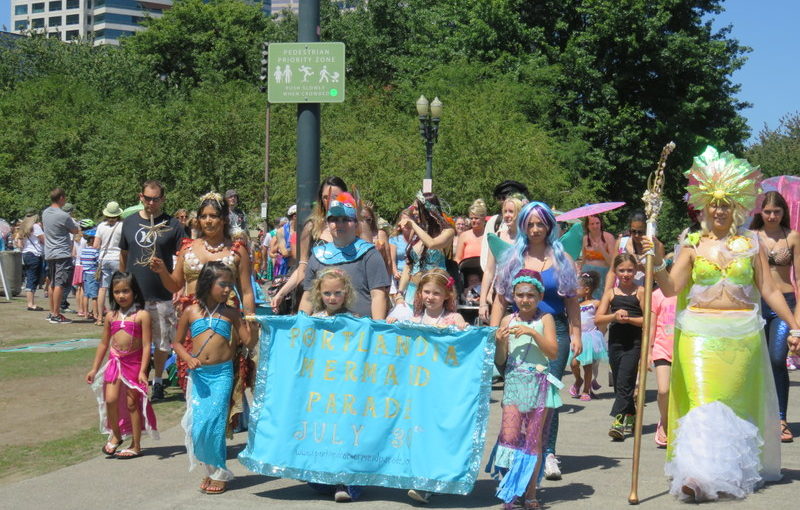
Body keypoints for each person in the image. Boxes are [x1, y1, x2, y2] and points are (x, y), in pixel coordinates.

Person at [648, 146, 800, 501]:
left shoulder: (750, 242)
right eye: (713, 204)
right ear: (704, 206)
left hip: (741, 336)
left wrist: (795, 324)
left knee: (730, 404)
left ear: (736, 208)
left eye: (726, 204)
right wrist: (655, 262)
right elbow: (671, 288)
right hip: (698, 335)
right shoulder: (692, 243)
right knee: (703, 400)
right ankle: (698, 477)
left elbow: (769, 290)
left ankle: (727, 473)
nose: (719, 209)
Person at [491, 201, 582, 480]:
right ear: (523, 226)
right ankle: (516, 450)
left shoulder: (562, 258)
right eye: (530, 224)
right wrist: (495, 331)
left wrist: (577, 333)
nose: (535, 229)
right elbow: (500, 297)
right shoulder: (513, 258)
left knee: (547, 396)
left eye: (540, 223)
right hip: (518, 326)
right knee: (519, 395)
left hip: (555, 329)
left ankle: (548, 452)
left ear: (549, 226)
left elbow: (572, 300)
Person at [150, 191, 256, 408]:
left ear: (224, 219)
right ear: (197, 219)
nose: (208, 221)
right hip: (191, 321)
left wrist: (250, 320)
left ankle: (222, 427)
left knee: (228, 374)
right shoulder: (187, 248)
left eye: (214, 216)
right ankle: (198, 426)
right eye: (204, 216)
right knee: (192, 373)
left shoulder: (237, 250)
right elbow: (174, 285)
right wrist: (162, 271)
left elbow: (246, 290)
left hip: (226, 321)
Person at [172, 262, 255, 495]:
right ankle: (209, 471)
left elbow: (248, 342)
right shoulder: (190, 311)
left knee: (215, 425)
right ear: (208, 283)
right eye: (223, 284)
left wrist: (253, 324)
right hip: (198, 376)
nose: (228, 289)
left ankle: (220, 472)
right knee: (198, 427)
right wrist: (187, 358)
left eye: (231, 285)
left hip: (221, 375)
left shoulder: (230, 313)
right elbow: (176, 342)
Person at [486, 269, 560, 510]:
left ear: (539, 296)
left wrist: (532, 332)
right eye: (520, 295)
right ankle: (511, 490)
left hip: (539, 384)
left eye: (530, 295)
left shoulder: (545, 319)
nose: (525, 299)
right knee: (509, 437)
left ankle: (530, 493)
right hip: (515, 384)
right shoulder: (508, 320)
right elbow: (501, 360)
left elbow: (553, 352)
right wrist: (500, 341)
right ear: (513, 296)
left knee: (533, 440)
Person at [119, 180, 184, 401]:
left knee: (163, 341)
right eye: (147, 198)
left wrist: (179, 286)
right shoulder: (129, 223)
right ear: (141, 197)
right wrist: (120, 284)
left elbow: (181, 259)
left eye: (156, 199)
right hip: (135, 294)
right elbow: (124, 255)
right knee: (134, 341)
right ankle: (138, 379)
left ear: (163, 199)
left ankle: (158, 382)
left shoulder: (173, 225)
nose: (151, 203)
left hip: (163, 294)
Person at [86, 272, 158, 459]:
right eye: (117, 292)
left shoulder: (142, 315)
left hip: (134, 364)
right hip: (115, 362)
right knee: (110, 399)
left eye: (125, 291)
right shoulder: (111, 316)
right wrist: (94, 368)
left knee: (132, 403)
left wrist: (143, 370)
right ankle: (116, 434)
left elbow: (146, 345)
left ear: (134, 292)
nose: (121, 295)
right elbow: (104, 343)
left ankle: (136, 444)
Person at [750, 191, 800, 443]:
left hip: (785, 305)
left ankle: (781, 418)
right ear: (760, 212)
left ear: (784, 212)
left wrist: (797, 320)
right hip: (755, 305)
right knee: (754, 363)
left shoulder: (792, 237)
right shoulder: (750, 237)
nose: (771, 216)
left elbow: (799, 279)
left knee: (777, 359)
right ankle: (759, 416)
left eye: (776, 211)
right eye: (767, 211)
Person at [298, 192, 390, 319]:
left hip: (360, 331)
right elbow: (308, 297)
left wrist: (376, 330)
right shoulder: (318, 255)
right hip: (324, 331)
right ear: (328, 224)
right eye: (333, 219)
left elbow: (378, 296)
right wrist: (300, 326)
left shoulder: (369, 254)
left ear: (356, 224)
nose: (339, 224)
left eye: (346, 219)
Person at [272, 177, 348, 308]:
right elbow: (302, 269)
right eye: (325, 197)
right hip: (318, 299)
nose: (330, 201)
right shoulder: (311, 227)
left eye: (335, 197)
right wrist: (281, 293)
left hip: (347, 297)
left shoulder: (355, 227)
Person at [595, 254, 644, 439]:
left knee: (625, 380)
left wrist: (629, 319)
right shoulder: (611, 293)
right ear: (615, 272)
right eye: (622, 270)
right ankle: (631, 415)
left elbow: (647, 320)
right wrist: (614, 317)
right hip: (615, 342)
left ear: (635, 271)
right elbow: (598, 318)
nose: (626, 274)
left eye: (630, 270)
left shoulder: (640, 292)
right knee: (620, 384)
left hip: (634, 343)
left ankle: (618, 421)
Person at [395, 192, 456, 303]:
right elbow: (409, 266)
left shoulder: (448, 231)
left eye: (417, 209)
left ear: (428, 210)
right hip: (412, 291)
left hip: (434, 293)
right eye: (413, 209)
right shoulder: (416, 231)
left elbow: (431, 244)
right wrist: (400, 293)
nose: (413, 212)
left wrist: (413, 225)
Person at [479, 196, 525, 323]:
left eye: (511, 211)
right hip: (500, 293)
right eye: (505, 211)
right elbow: (489, 271)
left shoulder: (528, 239)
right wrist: (482, 302)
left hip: (523, 294)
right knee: (496, 334)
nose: (507, 215)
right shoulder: (498, 236)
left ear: (520, 214)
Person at [42, 187, 79, 323]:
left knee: (52, 282)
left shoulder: (45, 213)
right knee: (60, 284)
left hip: (50, 252)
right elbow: (75, 230)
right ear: (61, 198)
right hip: (62, 252)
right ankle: (56, 314)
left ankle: (52, 312)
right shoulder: (63, 215)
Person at [604, 209, 665, 292]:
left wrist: (643, 269)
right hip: (621, 292)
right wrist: (607, 294)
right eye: (633, 231)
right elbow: (612, 271)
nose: (636, 235)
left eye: (640, 232)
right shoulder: (621, 243)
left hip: (645, 294)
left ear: (647, 230)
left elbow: (661, 277)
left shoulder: (657, 247)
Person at [649, 263, 676, 448]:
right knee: (664, 390)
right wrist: (648, 351)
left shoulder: (690, 294)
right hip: (662, 348)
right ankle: (665, 421)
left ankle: (678, 422)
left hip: (684, 349)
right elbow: (651, 325)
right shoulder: (657, 294)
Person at [568, 271, 606, 401]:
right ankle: (578, 380)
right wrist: (570, 335)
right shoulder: (575, 305)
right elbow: (572, 321)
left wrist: (601, 332)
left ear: (586, 289)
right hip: (578, 337)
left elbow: (601, 319)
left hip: (590, 338)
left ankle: (586, 390)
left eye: (577, 287)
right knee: (573, 363)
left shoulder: (596, 303)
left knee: (588, 365)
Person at [388, 268, 467, 329]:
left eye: (436, 293)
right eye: (426, 292)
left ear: (447, 295)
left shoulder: (455, 318)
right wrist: (394, 324)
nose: (430, 297)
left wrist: (462, 327)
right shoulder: (414, 321)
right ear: (420, 293)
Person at [94, 201, 124, 322]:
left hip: (104, 258)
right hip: (117, 257)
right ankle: (117, 315)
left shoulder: (101, 226)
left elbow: (96, 244)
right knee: (119, 287)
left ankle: (100, 317)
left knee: (103, 288)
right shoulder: (122, 225)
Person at [16, 210, 45, 311]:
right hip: (35, 254)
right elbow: (43, 239)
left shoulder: (22, 227)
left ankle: (30, 303)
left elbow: (19, 243)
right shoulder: (36, 227)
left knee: (30, 277)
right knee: (33, 278)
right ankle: (31, 304)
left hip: (26, 254)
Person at [580, 215, 615, 299]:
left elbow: (612, 263)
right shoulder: (585, 238)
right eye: (591, 224)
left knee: (600, 298)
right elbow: (584, 258)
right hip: (587, 271)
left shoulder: (608, 237)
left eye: (597, 223)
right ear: (587, 226)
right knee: (585, 296)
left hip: (602, 273)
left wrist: (601, 250)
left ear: (601, 224)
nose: (595, 226)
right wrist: (580, 271)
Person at [455, 199, 487, 263]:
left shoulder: (489, 235)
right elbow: (458, 259)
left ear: (483, 218)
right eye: (471, 218)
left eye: (476, 218)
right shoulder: (464, 236)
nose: (473, 220)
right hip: (466, 271)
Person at [81, 229, 100, 323]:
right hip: (93, 274)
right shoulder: (95, 251)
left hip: (85, 273)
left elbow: (81, 261)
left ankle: (85, 313)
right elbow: (98, 261)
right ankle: (96, 314)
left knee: (86, 294)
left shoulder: (83, 250)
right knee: (94, 296)